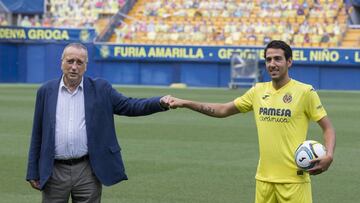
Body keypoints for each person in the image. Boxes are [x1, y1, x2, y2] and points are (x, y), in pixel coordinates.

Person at [168, 40, 336, 203]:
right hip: (263, 180)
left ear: (289, 62)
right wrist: (187, 103)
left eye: (278, 58)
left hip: (294, 182)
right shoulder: (258, 91)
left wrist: (329, 155)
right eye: (268, 59)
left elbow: (327, 128)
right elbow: (223, 110)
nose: (272, 64)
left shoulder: (305, 91)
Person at [26, 43, 172, 202]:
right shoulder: (46, 91)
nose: (74, 67)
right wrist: (32, 171)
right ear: (62, 62)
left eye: (79, 62)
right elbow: (37, 133)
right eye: (70, 61)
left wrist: (160, 102)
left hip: (87, 170)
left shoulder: (101, 89)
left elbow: (130, 106)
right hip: (54, 171)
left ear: (86, 66)